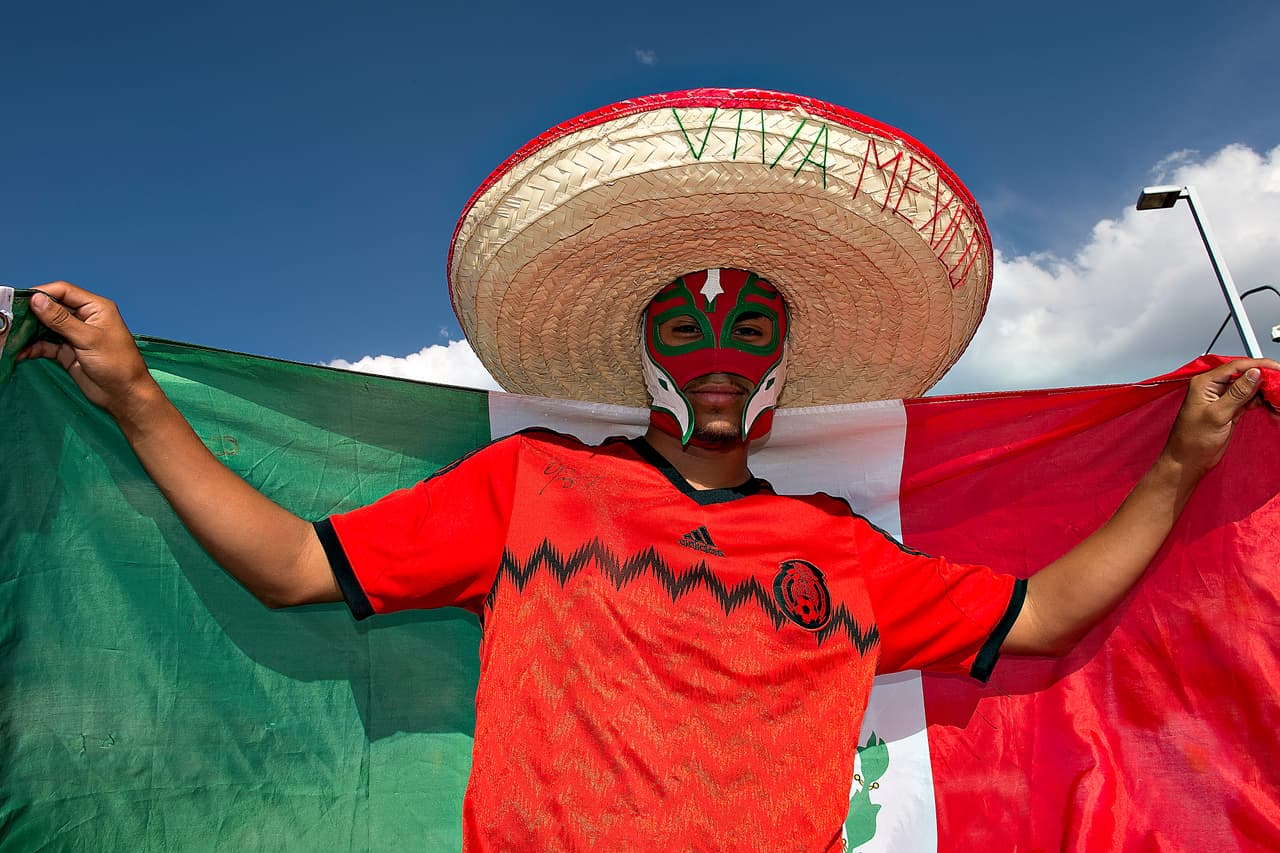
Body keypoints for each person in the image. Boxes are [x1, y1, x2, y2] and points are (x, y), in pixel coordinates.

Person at [17, 88, 1278, 851]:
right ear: (643, 357)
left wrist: (1177, 462)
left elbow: (1043, 616)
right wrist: (132, 395)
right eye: (687, 325)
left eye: (749, 330)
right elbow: (293, 563)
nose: (719, 354)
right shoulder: (533, 487)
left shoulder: (841, 548)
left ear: (782, 368)